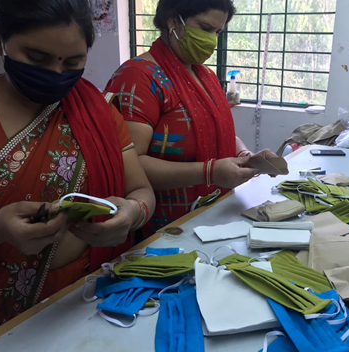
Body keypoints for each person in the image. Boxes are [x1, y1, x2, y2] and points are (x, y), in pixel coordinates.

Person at [0, 0, 155, 347]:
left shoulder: (96, 111)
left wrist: (131, 215)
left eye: (73, 62)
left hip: (83, 304)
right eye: (37, 58)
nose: (55, 72)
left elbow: (141, 191)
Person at [106, 0, 277, 236]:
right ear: (173, 21)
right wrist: (209, 172)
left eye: (218, 32)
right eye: (205, 28)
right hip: (164, 230)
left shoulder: (204, 75)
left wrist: (245, 155)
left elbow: (217, 134)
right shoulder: (139, 77)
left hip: (215, 216)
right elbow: (129, 165)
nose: (212, 40)